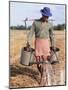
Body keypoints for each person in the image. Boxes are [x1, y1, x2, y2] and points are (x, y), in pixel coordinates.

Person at [27, 7, 57, 86]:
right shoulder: (35, 23)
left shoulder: (50, 24)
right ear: (42, 14)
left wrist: (53, 45)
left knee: (46, 62)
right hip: (38, 43)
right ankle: (42, 74)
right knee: (38, 63)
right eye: (45, 16)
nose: (47, 18)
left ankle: (45, 77)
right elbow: (31, 33)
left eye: (48, 16)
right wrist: (28, 42)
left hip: (46, 44)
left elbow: (52, 35)